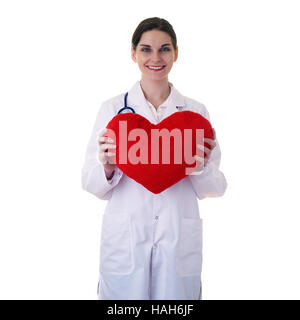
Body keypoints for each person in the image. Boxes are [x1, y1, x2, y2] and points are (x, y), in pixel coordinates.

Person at [81, 17, 227, 300]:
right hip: (125, 244)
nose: (156, 58)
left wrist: (199, 168)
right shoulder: (112, 110)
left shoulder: (195, 114)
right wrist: (108, 168)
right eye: (146, 49)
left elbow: (215, 188)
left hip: (177, 242)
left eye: (165, 49)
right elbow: (90, 183)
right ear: (133, 53)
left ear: (176, 53)